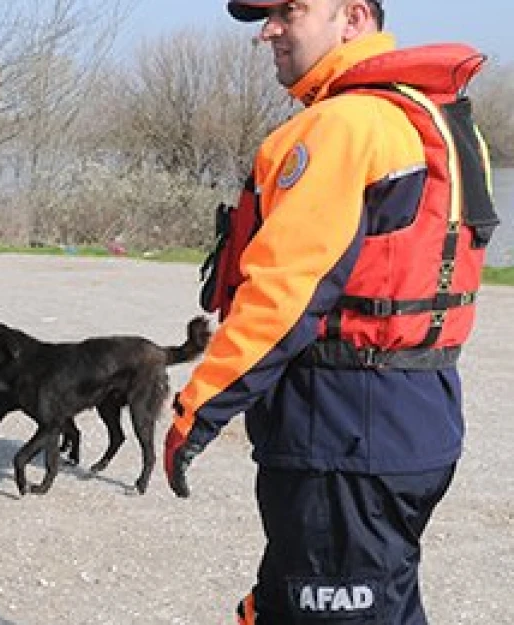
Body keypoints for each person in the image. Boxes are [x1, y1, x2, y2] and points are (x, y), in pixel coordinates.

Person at [163, 1, 500, 623]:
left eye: (289, 10)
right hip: (419, 419)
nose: (268, 30)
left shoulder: (343, 127)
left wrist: (197, 410)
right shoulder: (437, 119)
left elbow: (286, 293)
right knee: (371, 603)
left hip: (342, 431)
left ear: (351, 17)